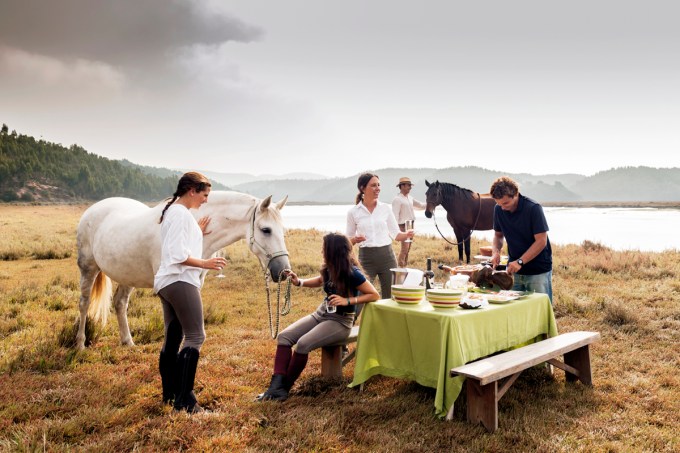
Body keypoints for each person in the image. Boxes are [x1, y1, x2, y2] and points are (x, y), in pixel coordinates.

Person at [256, 233, 380, 401]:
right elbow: (319, 280)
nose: (322, 251)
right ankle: (275, 387)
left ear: (333, 251)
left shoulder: (353, 272)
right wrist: (299, 281)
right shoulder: (330, 267)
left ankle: (284, 388)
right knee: (284, 337)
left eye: (324, 248)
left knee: (303, 344)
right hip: (321, 314)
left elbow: (374, 294)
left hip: (340, 321)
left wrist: (348, 300)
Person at [154, 171, 227, 413]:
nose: (206, 199)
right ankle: (186, 402)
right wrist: (206, 263)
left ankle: (171, 395)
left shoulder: (175, 213)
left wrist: (195, 229)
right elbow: (177, 254)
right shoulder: (179, 214)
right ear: (192, 191)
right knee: (196, 336)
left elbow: (178, 242)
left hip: (168, 282)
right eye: (204, 194)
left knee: (173, 338)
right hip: (180, 281)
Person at [346, 173, 414, 299]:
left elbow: (396, 235)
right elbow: (347, 241)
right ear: (362, 188)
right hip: (365, 260)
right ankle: (352, 319)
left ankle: (388, 320)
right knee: (360, 297)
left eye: (378, 185)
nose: (378, 188)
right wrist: (355, 239)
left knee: (391, 298)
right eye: (373, 185)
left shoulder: (385, 209)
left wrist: (407, 234)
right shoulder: (353, 212)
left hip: (387, 258)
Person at [489, 176, 553, 303]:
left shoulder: (533, 208)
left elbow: (541, 241)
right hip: (513, 270)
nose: (502, 207)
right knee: (514, 310)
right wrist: (496, 251)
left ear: (516, 194)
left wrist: (520, 262)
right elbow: (498, 235)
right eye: (499, 203)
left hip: (537, 270)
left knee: (539, 310)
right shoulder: (498, 209)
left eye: (505, 203)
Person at [391, 176, 426, 267]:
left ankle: (404, 267)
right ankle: (401, 269)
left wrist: (431, 203)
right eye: (408, 185)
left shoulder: (410, 198)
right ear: (402, 186)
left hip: (410, 225)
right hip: (403, 226)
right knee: (404, 250)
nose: (410, 187)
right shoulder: (397, 199)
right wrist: (396, 231)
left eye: (410, 185)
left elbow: (421, 206)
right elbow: (394, 217)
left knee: (408, 249)